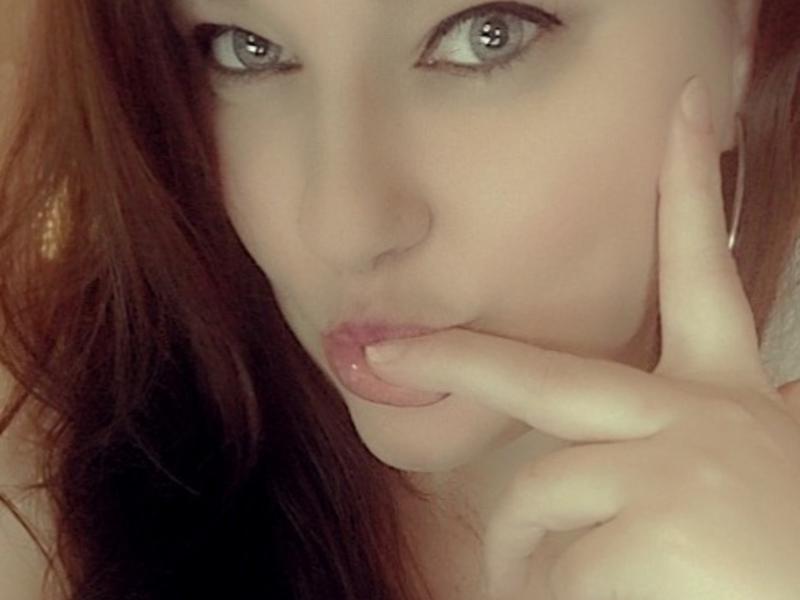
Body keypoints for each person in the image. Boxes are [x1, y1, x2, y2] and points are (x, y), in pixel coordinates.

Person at [0, 0, 799, 598]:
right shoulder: (50, 488)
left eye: (487, 35)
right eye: (248, 50)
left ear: (739, 31)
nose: (343, 229)